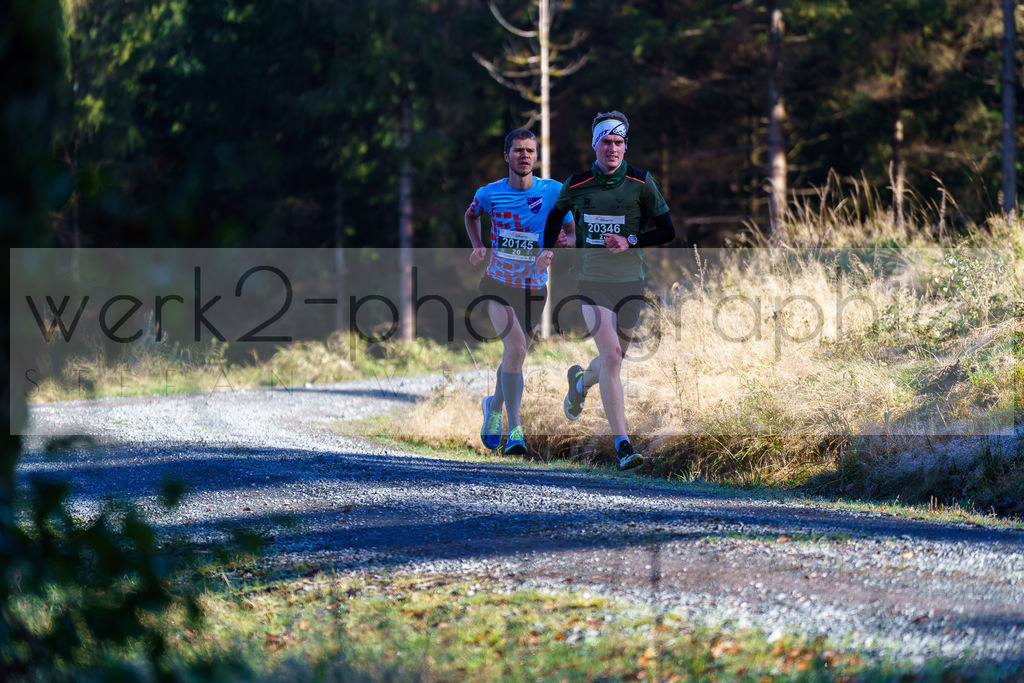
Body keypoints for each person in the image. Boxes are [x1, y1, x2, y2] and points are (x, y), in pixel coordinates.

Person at [542, 111, 676, 472]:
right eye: (606, 142)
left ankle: (580, 382)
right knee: (613, 356)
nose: (612, 148)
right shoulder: (577, 183)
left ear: (625, 146)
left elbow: (667, 231)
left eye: (618, 142)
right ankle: (623, 445)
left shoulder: (641, 182)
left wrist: (630, 239)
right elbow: (555, 216)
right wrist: (548, 249)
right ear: (595, 145)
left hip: (631, 282)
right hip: (591, 280)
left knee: (612, 360)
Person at [466, 128, 574, 456]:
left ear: (536, 156)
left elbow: (571, 231)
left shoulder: (553, 191)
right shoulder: (489, 194)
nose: (524, 155)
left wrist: (563, 243)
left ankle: (492, 405)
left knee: (515, 355)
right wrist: (478, 245)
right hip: (497, 284)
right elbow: (471, 216)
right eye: (518, 150)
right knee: (514, 347)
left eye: (529, 150)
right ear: (507, 156)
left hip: (534, 288)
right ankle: (515, 430)